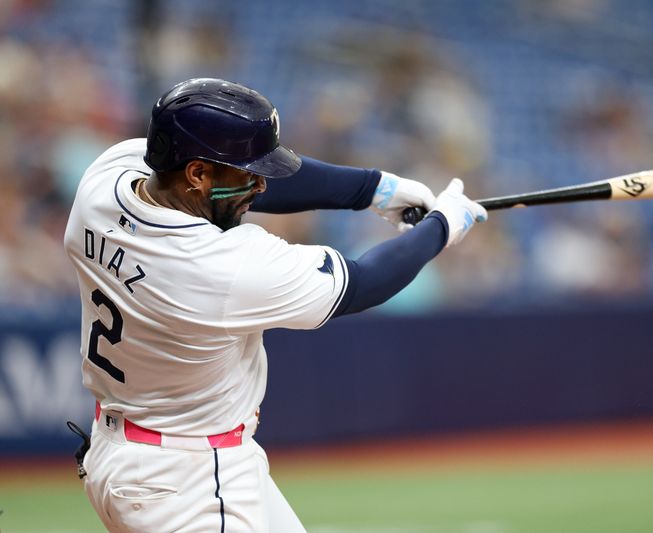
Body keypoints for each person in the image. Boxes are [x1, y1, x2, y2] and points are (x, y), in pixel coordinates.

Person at [63, 77, 486, 532]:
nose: (261, 186)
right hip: (188, 481)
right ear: (197, 174)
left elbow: (244, 186)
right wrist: (443, 226)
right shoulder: (220, 267)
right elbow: (365, 283)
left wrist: (375, 188)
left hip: (135, 454)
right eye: (248, 173)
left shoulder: (106, 181)